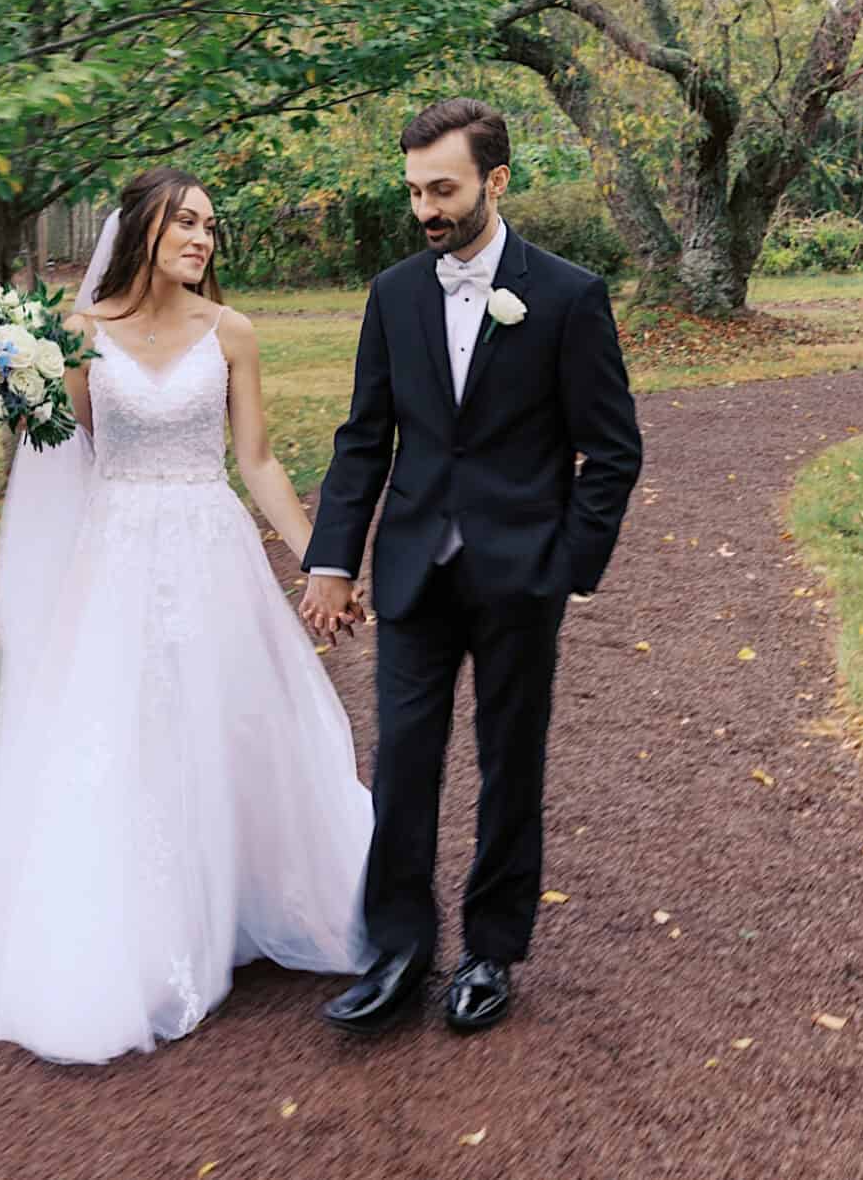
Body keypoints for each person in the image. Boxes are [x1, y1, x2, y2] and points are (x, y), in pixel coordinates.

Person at [0, 167, 375, 1063]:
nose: (202, 240)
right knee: (125, 731)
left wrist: (318, 558)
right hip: (115, 555)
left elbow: (254, 461)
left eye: (210, 227)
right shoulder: (77, 334)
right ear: (140, 228)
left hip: (209, 547)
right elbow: (64, 454)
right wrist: (9, 393)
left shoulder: (235, 334)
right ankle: (142, 924)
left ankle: (240, 898)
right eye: (185, 223)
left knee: (230, 721)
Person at [302, 98, 644, 1036]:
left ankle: (491, 949)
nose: (426, 209)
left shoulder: (568, 296)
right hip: (414, 568)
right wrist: (334, 557)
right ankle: (400, 949)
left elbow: (612, 450)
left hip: (520, 574)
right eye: (414, 190)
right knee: (404, 762)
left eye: (443, 188)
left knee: (509, 763)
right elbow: (365, 437)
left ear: (495, 181)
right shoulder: (394, 294)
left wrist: (568, 564)